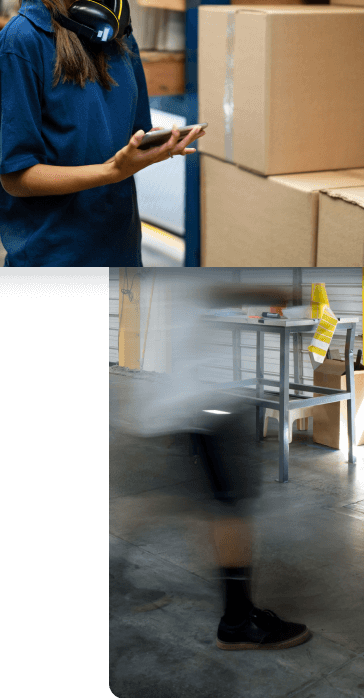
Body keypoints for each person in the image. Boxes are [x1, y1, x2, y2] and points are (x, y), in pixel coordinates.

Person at [0, 0, 205, 266]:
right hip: (53, 260)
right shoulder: (21, 46)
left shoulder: (118, 34)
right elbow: (16, 177)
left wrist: (155, 146)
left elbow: (131, 135)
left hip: (120, 254)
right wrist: (110, 172)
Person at [115, 274, 311, 651]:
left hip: (184, 397)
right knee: (230, 507)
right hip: (203, 402)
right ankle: (237, 621)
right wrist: (272, 291)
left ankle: (116, 573)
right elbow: (213, 286)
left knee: (187, 501)